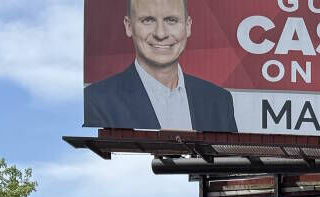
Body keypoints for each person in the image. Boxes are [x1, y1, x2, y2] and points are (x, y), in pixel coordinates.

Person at [85, 0, 236, 132]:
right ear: (129, 26)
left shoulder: (219, 101)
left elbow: (230, 163)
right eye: (148, 20)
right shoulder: (96, 100)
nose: (161, 33)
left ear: (188, 26)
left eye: (171, 20)